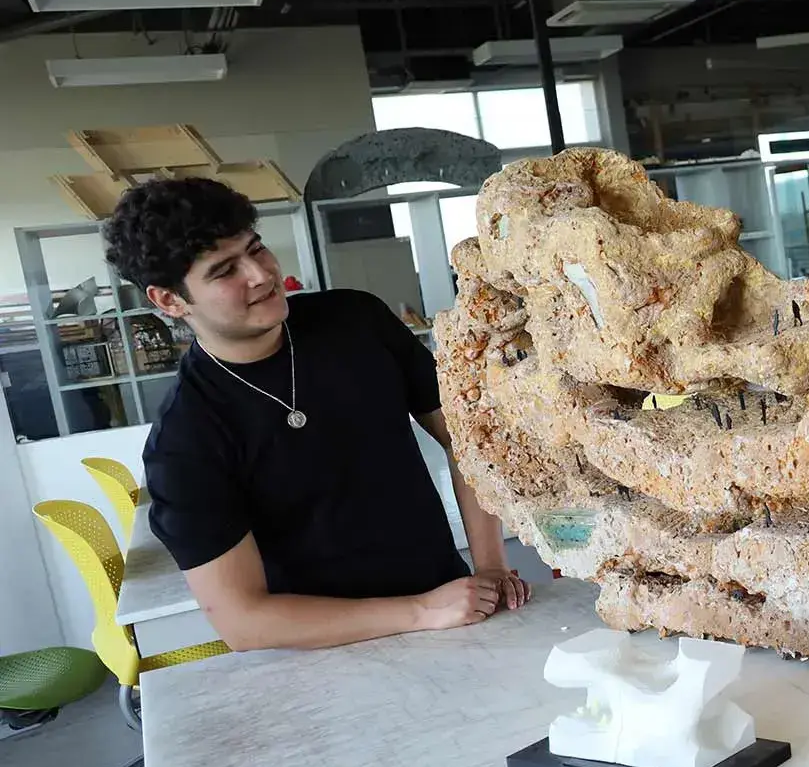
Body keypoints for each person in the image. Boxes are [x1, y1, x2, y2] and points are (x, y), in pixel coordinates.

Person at [107, 178, 530, 651]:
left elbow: (467, 439)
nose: (260, 274)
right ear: (170, 300)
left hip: (454, 609)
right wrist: (421, 610)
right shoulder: (185, 440)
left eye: (256, 248)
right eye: (225, 270)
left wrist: (490, 563)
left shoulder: (355, 320)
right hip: (327, 649)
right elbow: (244, 623)